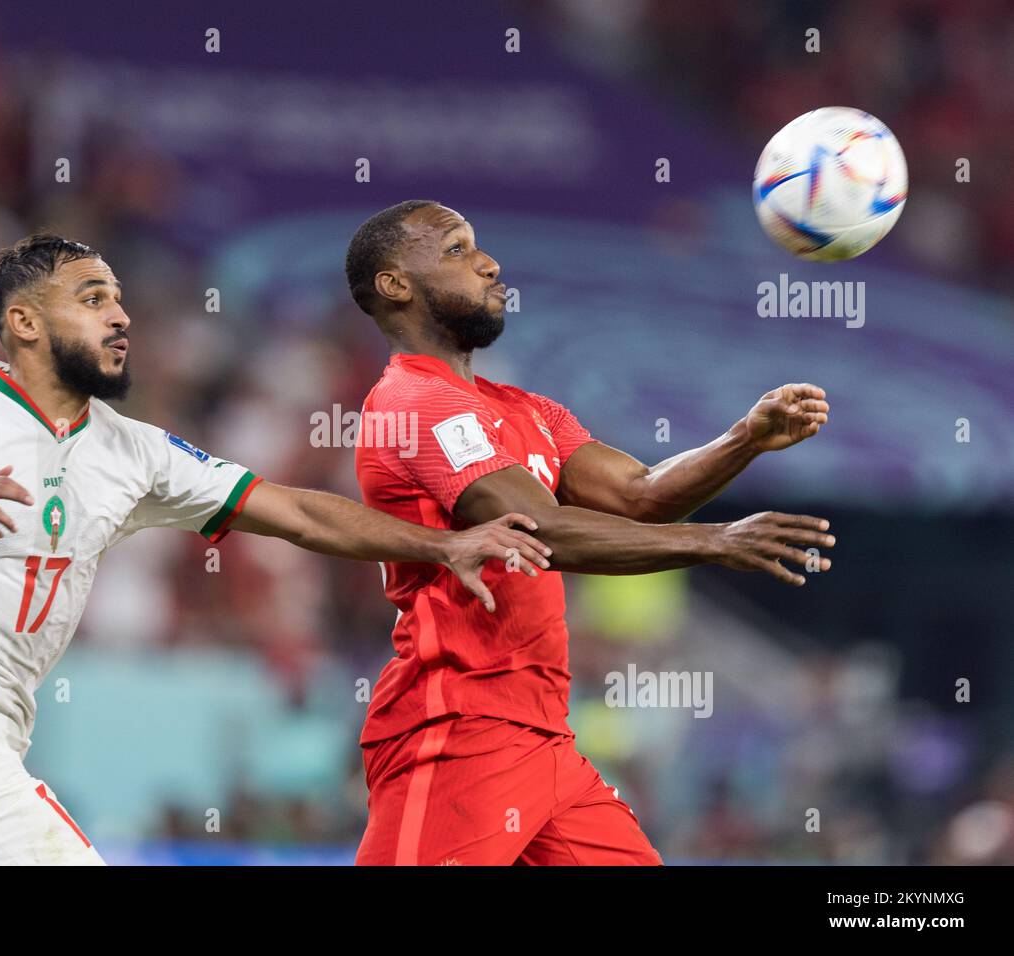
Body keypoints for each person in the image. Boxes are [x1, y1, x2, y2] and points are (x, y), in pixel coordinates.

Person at [0, 234, 551, 865]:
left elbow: (296, 515)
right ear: (24, 323)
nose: (120, 317)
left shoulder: (133, 453)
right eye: (93, 300)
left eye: (119, 299)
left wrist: (444, 543)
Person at [345, 201, 836, 865]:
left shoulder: (528, 410)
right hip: (458, 729)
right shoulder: (411, 403)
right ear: (395, 284)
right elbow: (541, 529)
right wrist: (713, 542)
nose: (489, 264)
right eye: (457, 249)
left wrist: (743, 438)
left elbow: (639, 495)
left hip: (546, 739)